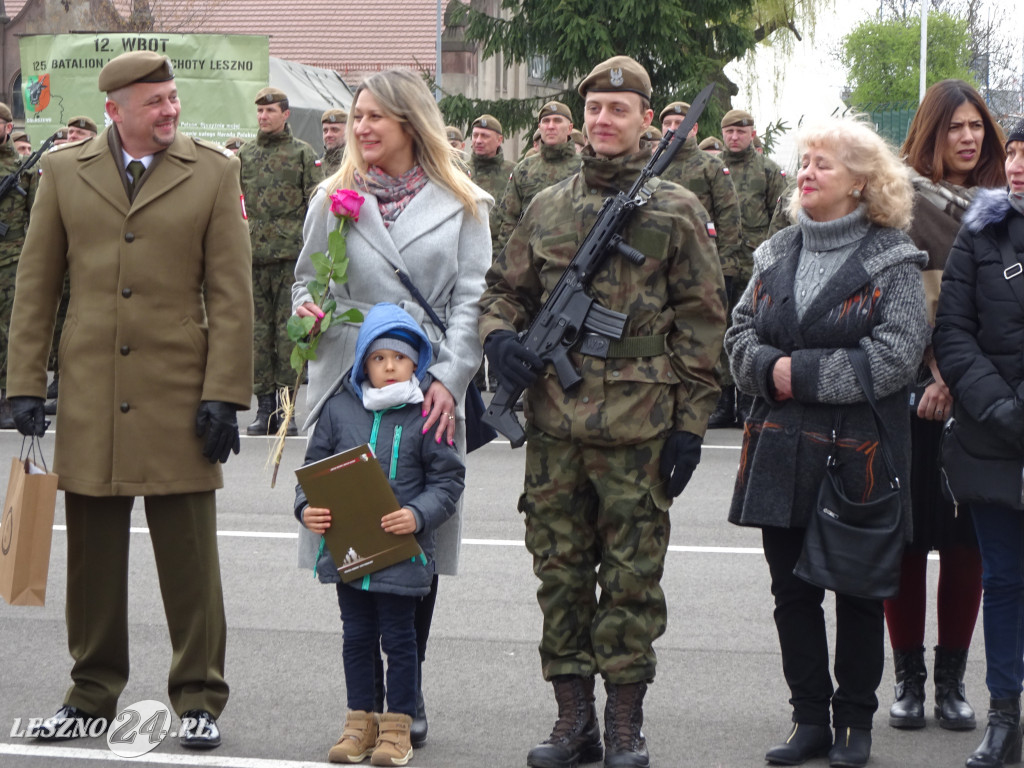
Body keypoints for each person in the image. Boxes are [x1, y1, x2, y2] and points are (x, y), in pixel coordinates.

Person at [479, 55, 727, 768]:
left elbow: (703, 324)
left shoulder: (678, 209)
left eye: (619, 109)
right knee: (560, 577)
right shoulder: (547, 205)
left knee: (630, 583)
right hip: (555, 429)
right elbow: (504, 292)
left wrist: (688, 427)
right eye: (592, 108)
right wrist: (501, 341)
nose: (603, 120)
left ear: (648, 118)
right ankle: (571, 723)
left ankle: (624, 725)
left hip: (640, 432)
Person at [7, 50, 253, 749]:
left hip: (180, 394)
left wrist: (226, 395)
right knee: (91, 558)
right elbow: (37, 286)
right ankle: (90, 694)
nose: (170, 111)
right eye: (155, 102)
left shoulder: (212, 170)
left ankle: (199, 697)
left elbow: (232, 296)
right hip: (90, 392)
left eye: (172, 98)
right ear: (115, 109)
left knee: (190, 558)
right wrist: (25, 383)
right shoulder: (63, 171)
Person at [292, 67, 491, 750]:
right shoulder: (333, 196)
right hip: (353, 389)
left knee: (415, 537)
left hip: (427, 389)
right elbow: (303, 279)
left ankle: (405, 694)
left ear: (411, 122)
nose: (364, 127)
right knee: (355, 535)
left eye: (377, 115)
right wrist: (307, 312)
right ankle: (365, 705)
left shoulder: (464, 201)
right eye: (357, 116)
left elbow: (473, 301)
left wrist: (451, 377)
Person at [726, 116, 928, 768]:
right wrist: (764, 368)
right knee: (793, 596)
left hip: (859, 457)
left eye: (823, 164)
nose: (805, 173)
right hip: (780, 449)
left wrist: (792, 372)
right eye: (804, 162)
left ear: (862, 183)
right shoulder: (774, 252)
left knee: (861, 595)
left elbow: (895, 357)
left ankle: (855, 725)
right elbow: (737, 339)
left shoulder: (893, 258)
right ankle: (809, 720)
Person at [883, 79, 1007, 735]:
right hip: (906, 398)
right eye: (955, 127)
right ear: (930, 132)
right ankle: (907, 681)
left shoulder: (1003, 210)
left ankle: (953, 682)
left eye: (977, 128)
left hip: (978, 399)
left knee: (966, 545)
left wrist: (957, 380)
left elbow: (1005, 316)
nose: (968, 138)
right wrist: (929, 374)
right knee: (904, 540)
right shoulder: (896, 203)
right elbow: (890, 305)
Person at [295, 302, 464, 766]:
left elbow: (449, 480)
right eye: (379, 357)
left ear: (417, 363)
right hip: (350, 556)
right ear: (363, 361)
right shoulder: (339, 409)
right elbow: (312, 471)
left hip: (403, 556)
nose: (389, 366)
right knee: (356, 639)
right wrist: (306, 507)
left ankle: (397, 728)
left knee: (400, 641)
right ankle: (359, 723)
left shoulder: (428, 410)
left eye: (401, 358)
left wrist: (417, 515)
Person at [932, 118, 1024, 768]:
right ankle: (1005, 717)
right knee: (1005, 580)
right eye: (1014, 154)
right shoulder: (981, 235)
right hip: (994, 441)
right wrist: (1002, 409)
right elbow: (954, 335)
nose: (1017, 166)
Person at [238, 86, 322, 437]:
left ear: (285, 114)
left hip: (291, 258)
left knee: (289, 335)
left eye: (270, 111)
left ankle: (287, 412)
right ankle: (265, 410)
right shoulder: (244, 155)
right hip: (253, 256)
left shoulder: (303, 154)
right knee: (258, 335)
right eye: (259, 112)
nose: (263, 117)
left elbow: (315, 204)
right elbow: (234, 203)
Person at [659, 100, 744, 429]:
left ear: (693, 129)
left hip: (703, 267)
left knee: (708, 336)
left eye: (680, 122)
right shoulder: (655, 164)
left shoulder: (711, 167)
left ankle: (717, 401)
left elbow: (728, 215)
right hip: (662, 266)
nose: (673, 128)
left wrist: (725, 265)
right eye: (668, 123)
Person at [720, 108, 789, 427]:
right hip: (718, 261)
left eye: (740, 131)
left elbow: (783, 217)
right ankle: (722, 403)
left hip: (754, 265)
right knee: (721, 329)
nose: (734, 137)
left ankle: (747, 401)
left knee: (753, 331)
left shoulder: (768, 170)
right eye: (729, 132)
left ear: (752, 133)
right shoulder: (713, 169)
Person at [493, 100, 580, 256]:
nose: (551, 126)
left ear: (570, 128)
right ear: (540, 128)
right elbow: (509, 220)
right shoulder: (524, 169)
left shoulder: (584, 167)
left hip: (574, 258)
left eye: (557, 121)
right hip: (530, 259)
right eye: (546, 121)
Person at [0, 104, 37, 430]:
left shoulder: (23, 168)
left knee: (10, 331)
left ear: (8, 128)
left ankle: (9, 399)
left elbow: (36, 217)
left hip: (12, 262)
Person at [467, 113, 514, 255]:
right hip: (466, 250)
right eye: (475, 135)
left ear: (499, 140)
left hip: (501, 253)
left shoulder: (514, 172)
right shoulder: (460, 171)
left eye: (485, 136)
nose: (478, 141)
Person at [321, 107, 347, 176]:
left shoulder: (354, 165)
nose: (328, 135)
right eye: (325, 131)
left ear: (347, 132)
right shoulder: (317, 167)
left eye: (334, 130)